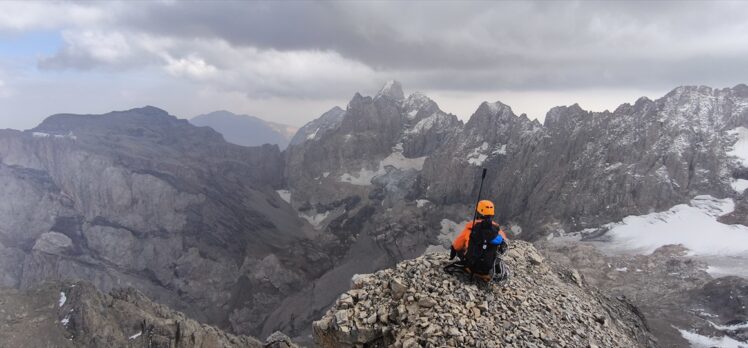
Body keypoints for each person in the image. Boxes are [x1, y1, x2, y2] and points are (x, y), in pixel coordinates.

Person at [448, 200, 508, 281]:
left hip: (470, 266)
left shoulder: (470, 227)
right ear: (492, 214)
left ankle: (470, 268)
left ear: (478, 213)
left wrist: (454, 249)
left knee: (462, 247)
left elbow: (458, 244)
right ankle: (487, 273)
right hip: (486, 268)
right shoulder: (497, 231)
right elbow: (504, 244)